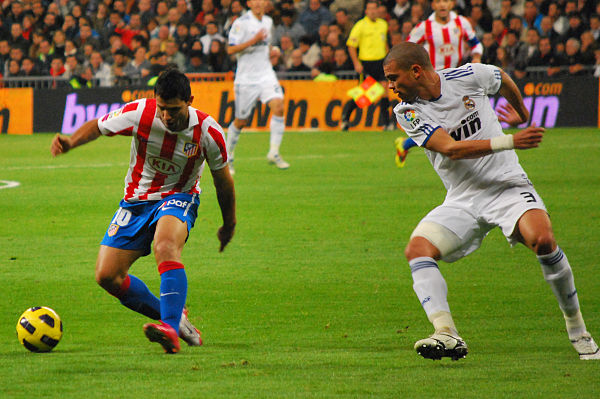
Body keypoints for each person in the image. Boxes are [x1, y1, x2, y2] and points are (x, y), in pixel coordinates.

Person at [383, 42, 599, 361]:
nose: (390, 86)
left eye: (393, 77)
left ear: (415, 71)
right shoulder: (406, 111)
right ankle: (446, 332)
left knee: (543, 240)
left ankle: (578, 330)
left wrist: (522, 113)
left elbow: (500, 76)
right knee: (417, 250)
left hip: (507, 185)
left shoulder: (468, 75)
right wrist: (511, 139)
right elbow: (450, 148)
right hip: (463, 199)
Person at [50, 68, 237, 354]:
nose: (167, 116)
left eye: (173, 109)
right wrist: (71, 142)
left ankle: (170, 330)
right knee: (107, 276)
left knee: (165, 245)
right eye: (162, 108)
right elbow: (99, 125)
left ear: (189, 101)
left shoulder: (208, 131)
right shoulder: (140, 112)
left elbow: (223, 182)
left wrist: (229, 224)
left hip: (179, 196)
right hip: (136, 201)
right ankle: (175, 318)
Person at [397, 0, 483, 167]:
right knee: (445, 122)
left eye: (446, 1)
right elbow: (407, 49)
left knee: (452, 122)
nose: (443, 5)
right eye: (438, 1)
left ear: (452, 4)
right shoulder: (424, 27)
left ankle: (406, 144)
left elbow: (476, 44)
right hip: (432, 82)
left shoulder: (461, 22)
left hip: (456, 79)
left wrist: (477, 56)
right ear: (433, 5)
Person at [226, 0, 290, 173]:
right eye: (255, 1)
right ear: (249, 3)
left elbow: (265, 45)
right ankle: (228, 157)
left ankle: (274, 152)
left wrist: (273, 50)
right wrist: (253, 40)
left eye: (262, 1)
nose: (259, 4)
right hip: (246, 79)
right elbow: (231, 50)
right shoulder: (241, 23)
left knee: (279, 107)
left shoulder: (268, 22)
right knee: (241, 120)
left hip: (266, 75)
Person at [341, 0, 391, 131]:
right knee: (364, 95)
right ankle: (345, 116)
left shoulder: (383, 24)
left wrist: (389, 58)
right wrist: (357, 63)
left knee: (384, 90)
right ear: (366, 11)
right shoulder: (360, 25)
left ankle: (387, 123)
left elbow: (384, 42)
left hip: (380, 61)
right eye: (370, 9)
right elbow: (351, 46)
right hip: (366, 63)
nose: (373, 11)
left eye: (375, 9)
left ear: (378, 10)